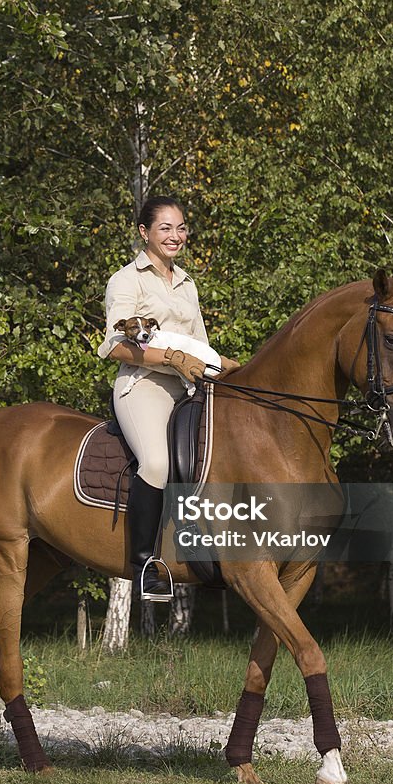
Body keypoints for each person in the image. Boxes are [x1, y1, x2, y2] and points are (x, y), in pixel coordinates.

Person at [97, 196, 239, 598]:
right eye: (165, 228)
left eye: (181, 228)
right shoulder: (127, 280)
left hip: (191, 387)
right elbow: (117, 347)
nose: (176, 236)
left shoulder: (187, 283)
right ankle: (145, 566)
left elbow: (201, 345)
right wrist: (173, 358)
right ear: (144, 232)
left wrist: (228, 367)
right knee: (157, 463)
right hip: (144, 385)